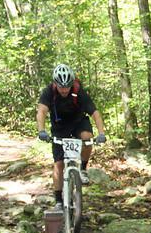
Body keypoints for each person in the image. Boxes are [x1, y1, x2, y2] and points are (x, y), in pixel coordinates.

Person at [36, 64, 106, 210]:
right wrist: (41, 130)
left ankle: (83, 169)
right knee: (59, 164)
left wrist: (101, 133)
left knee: (87, 138)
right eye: (61, 87)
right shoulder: (49, 92)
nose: (64, 90)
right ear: (55, 84)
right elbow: (41, 111)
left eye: (66, 87)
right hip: (59, 127)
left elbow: (95, 113)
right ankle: (58, 200)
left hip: (79, 122)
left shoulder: (78, 91)